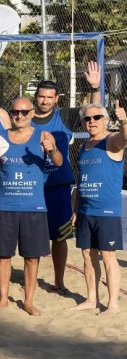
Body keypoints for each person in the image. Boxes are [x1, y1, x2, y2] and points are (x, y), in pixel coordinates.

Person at [0, 97, 60, 316]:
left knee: (32, 257)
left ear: (32, 113)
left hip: (33, 207)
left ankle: (28, 301)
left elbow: (58, 162)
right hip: (5, 205)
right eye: (15, 112)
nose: (19, 116)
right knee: (3, 255)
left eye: (24, 112)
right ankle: (3, 299)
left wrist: (52, 150)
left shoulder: (44, 136)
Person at [32, 63, 102, 292]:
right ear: (36, 97)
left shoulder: (64, 116)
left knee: (60, 237)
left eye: (49, 97)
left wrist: (95, 87)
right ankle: (31, 281)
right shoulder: (24, 117)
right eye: (41, 96)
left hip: (58, 186)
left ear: (56, 99)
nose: (44, 101)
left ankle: (59, 281)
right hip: (32, 186)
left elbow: (93, 111)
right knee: (33, 237)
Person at [71, 101, 125, 314]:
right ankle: (91, 299)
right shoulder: (83, 146)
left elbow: (125, 138)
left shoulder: (111, 140)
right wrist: (76, 209)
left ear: (106, 120)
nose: (91, 121)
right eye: (87, 118)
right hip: (86, 210)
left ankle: (113, 304)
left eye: (96, 117)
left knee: (108, 256)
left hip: (106, 211)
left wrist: (124, 121)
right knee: (87, 254)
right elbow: (81, 181)